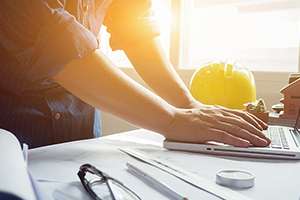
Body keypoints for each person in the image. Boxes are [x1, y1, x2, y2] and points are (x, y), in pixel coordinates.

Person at [0, 0, 270, 148]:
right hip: (11, 121)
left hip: (80, 116)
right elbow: (56, 42)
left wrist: (186, 104)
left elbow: (134, 26)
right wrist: (172, 120)